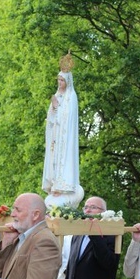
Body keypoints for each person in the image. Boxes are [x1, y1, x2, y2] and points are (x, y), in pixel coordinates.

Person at [42, 52, 84, 209]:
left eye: (62, 80)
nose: (60, 83)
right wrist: (53, 108)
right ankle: (54, 185)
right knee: (53, 160)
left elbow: (68, 118)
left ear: (67, 81)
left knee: (63, 160)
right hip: (55, 137)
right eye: (58, 80)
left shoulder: (71, 97)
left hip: (65, 137)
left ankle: (64, 185)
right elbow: (51, 119)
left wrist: (57, 109)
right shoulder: (57, 95)